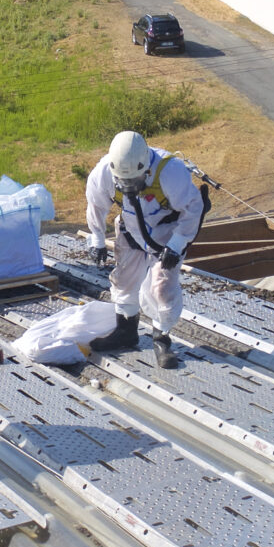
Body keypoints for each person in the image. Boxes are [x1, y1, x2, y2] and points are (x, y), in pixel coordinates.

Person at [84, 130, 208, 369]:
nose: (128, 186)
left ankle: (161, 338)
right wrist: (97, 239)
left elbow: (193, 208)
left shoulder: (169, 172)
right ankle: (126, 331)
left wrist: (177, 244)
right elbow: (96, 205)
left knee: (161, 286)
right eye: (124, 181)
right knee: (125, 279)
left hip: (166, 232)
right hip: (131, 229)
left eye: (134, 181)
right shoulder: (104, 173)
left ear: (146, 168)